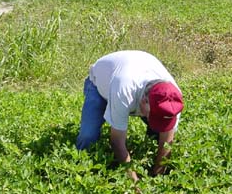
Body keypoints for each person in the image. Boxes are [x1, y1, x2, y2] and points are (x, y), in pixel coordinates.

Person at [76, 50, 184, 181]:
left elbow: (167, 142)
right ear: (143, 102)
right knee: (88, 136)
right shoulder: (124, 90)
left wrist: (157, 176)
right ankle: (80, 170)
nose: (158, 122)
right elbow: (117, 141)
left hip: (132, 76)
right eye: (154, 117)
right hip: (99, 85)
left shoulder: (172, 98)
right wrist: (134, 182)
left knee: (158, 134)